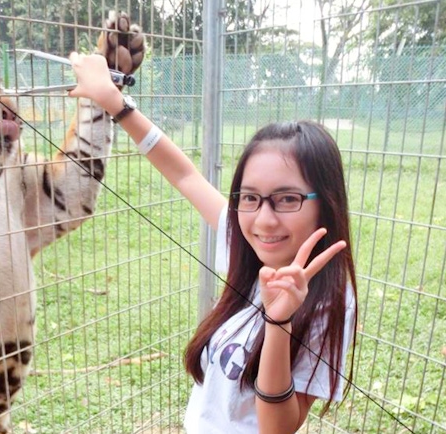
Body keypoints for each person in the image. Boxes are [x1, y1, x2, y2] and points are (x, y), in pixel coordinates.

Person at [67, 52, 358, 434]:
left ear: (327, 201)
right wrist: (115, 105)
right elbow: (185, 175)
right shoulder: (248, 242)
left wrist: (278, 320)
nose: (264, 220)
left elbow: (277, 428)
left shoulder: (331, 299)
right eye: (249, 197)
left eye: (288, 199)